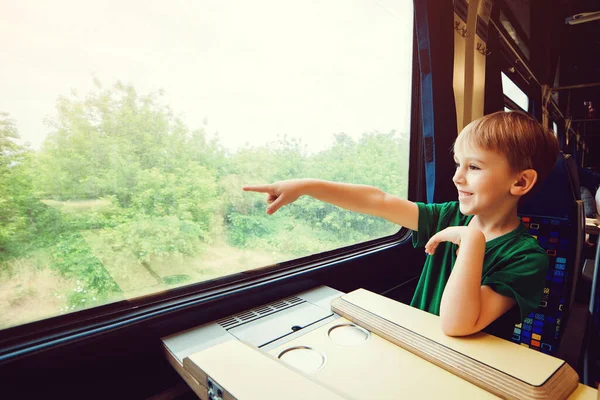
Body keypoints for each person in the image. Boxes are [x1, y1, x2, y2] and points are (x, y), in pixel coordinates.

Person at [243, 111, 560, 337]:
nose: (457, 177)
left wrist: (472, 241)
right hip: (417, 346)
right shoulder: (447, 217)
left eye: (474, 166)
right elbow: (377, 201)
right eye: (457, 164)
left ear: (520, 182)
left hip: (469, 371)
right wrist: (307, 186)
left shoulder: (527, 259)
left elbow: (457, 325)